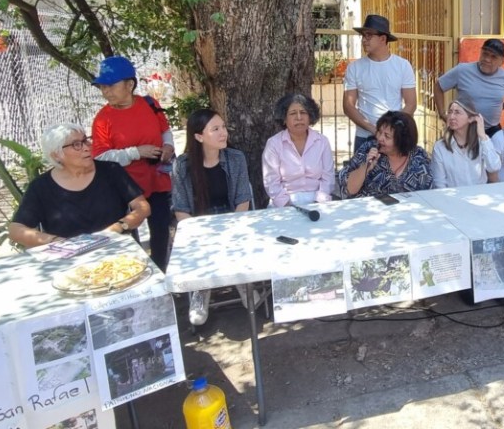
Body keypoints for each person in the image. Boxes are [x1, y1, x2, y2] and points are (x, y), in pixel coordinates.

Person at [91, 56, 175, 272]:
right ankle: (135, 274)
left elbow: (164, 130)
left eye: (111, 85)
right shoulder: (103, 119)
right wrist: (136, 152)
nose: (106, 91)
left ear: (130, 84)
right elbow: (100, 157)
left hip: (156, 180)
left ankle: (162, 271)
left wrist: (168, 146)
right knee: (129, 237)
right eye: (102, 87)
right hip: (125, 188)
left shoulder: (149, 104)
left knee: (161, 230)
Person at [171, 108, 253, 326]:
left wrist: (231, 229)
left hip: (231, 218)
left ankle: (242, 281)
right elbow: (180, 209)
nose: (223, 133)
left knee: (236, 239)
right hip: (198, 222)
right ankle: (201, 288)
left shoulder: (235, 158)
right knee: (196, 245)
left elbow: (243, 200)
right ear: (199, 136)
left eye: (223, 127)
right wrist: (200, 234)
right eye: (215, 129)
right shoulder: (182, 166)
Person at [9, 123, 150, 248]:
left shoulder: (111, 171)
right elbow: (16, 229)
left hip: (117, 248)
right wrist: (58, 242)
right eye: (76, 144)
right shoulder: (40, 187)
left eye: (85, 140)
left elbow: (143, 208)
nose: (87, 148)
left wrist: (119, 227)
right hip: (70, 257)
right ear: (56, 155)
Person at [343, 14, 417, 153]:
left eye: (369, 35)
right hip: (365, 136)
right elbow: (348, 106)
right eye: (363, 35)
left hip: (395, 137)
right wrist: (374, 130)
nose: (364, 40)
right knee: (362, 168)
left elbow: (411, 103)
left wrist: (392, 130)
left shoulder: (402, 66)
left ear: (383, 39)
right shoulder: (354, 68)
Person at [434, 39, 504, 137]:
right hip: (464, 130)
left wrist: (503, 106)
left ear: (502, 61)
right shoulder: (462, 70)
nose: (487, 59)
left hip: (492, 132)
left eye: (493, 57)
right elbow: (439, 86)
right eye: (485, 54)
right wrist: (442, 114)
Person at [262, 93, 335, 207]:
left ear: (310, 116)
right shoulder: (273, 144)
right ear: (284, 119)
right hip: (284, 204)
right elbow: (271, 182)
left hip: (318, 201)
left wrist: (318, 203)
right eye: (293, 113)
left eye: (303, 112)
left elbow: (328, 178)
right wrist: (287, 206)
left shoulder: (322, 142)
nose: (299, 117)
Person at [338, 111, 432, 198]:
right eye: (379, 132)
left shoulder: (418, 156)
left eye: (387, 136)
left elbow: (427, 192)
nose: (380, 138)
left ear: (402, 141)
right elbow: (348, 190)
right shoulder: (368, 149)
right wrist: (366, 167)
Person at [431, 96, 502, 188]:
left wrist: (482, 135)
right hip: (454, 196)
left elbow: (494, 167)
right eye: (450, 112)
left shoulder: (482, 142)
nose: (452, 117)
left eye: (457, 112)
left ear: (470, 118)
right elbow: (439, 184)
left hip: (480, 194)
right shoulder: (440, 147)